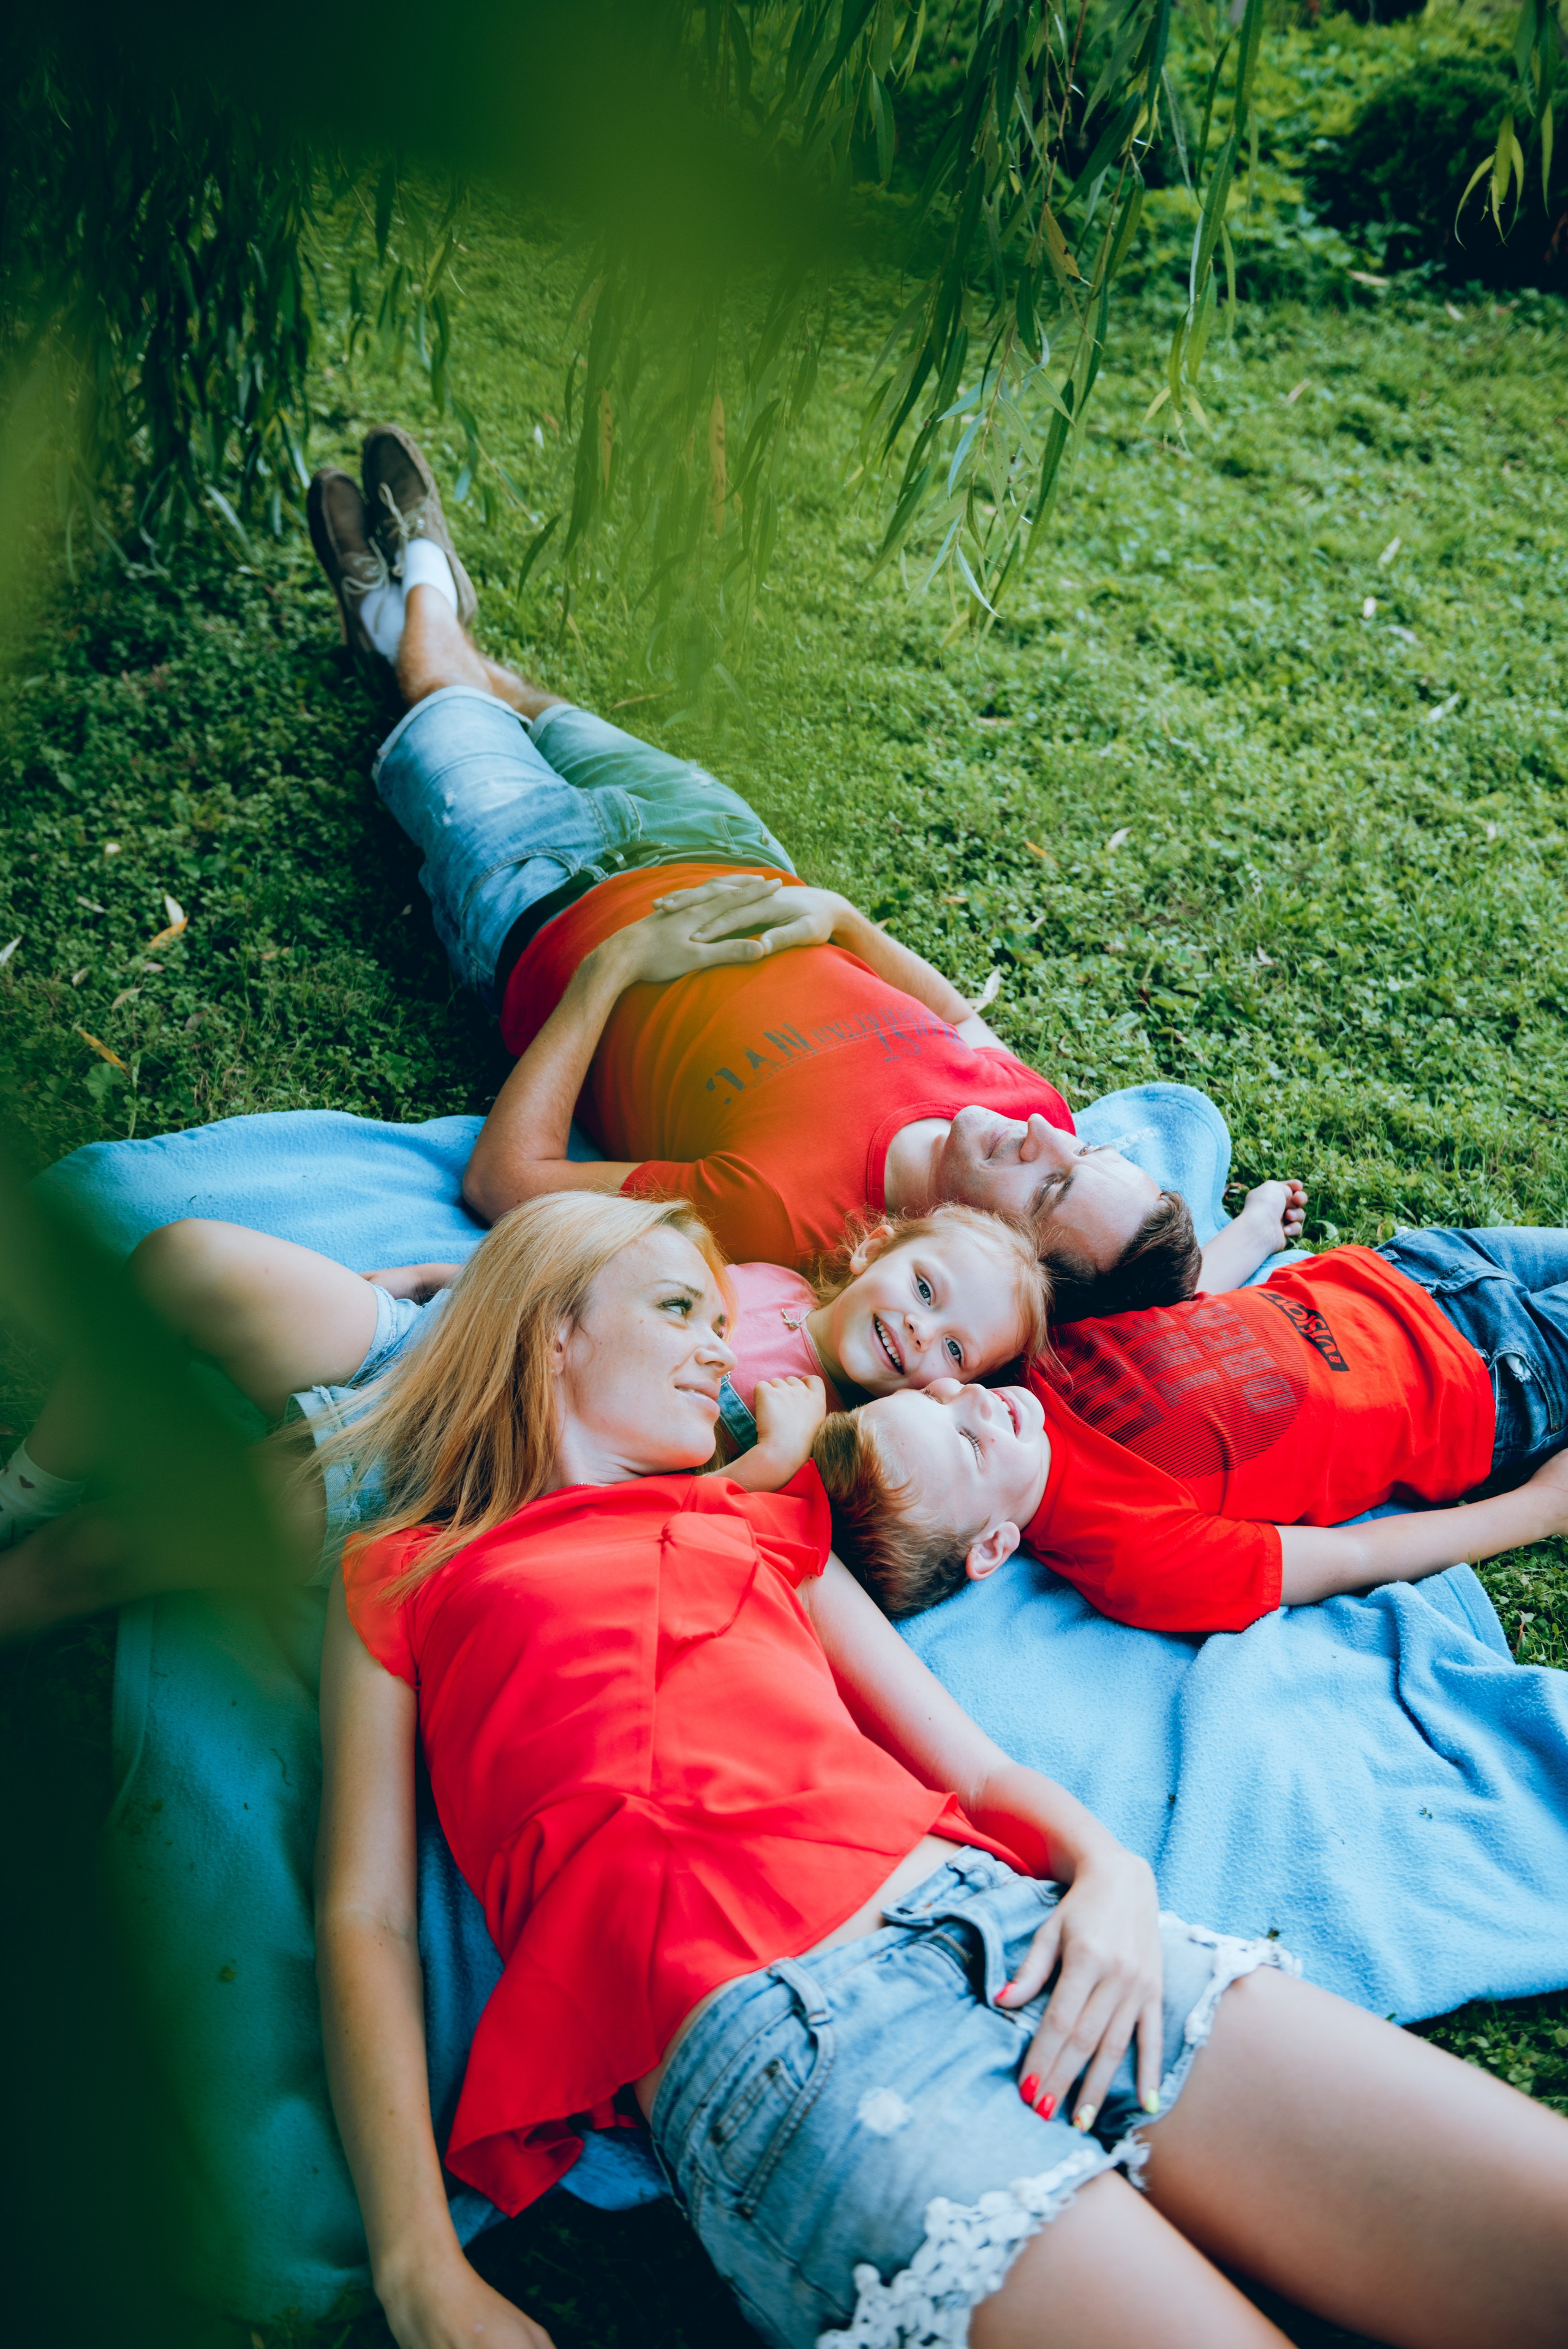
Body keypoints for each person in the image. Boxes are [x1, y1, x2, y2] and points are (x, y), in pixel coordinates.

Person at [315, 1186, 1568, 2349]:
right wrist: (418, 2264)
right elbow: (364, 1916)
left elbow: (968, 1772)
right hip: (782, 2038)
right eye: (678, 1309)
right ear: (550, 1333)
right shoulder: (405, 1572)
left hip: (1016, 1927)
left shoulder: (760, 1523)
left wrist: (1108, 1872)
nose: (721, 1348)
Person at [306, 429, 1306, 1304]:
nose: (1049, 1137)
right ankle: (399, 626)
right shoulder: (1028, 1113)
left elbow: (503, 1182)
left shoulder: (792, 1216)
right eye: (1086, 1150)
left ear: (1003, 1262)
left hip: (540, 902)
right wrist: (836, 918)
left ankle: (421, 578)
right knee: (547, 709)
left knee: (447, 703)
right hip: (724, 846)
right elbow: (958, 1020)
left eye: (1051, 1185)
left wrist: (615, 969)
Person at [0, 1197, 1046, 1633]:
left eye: (958, 1350)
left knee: (111, 1550)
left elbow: (659, 1538)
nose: (924, 1337)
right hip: (443, 1343)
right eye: (924, 1290)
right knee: (186, 1261)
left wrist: (768, 1462)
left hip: (450, 1462)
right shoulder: (757, 1269)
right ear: (875, 1254)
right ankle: (28, 1484)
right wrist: (438, 1271)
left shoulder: (825, 1440)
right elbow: (595, 1268)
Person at [811, 1226, 1568, 1628]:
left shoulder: (1021, 1363)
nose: (974, 1403)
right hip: (1489, 1382)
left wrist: (1250, 1231)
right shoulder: (1131, 1558)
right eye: (970, 1445)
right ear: (993, 1546)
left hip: (1401, 1269)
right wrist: (1534, 1512)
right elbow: (1351, 1553)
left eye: (937, 1398)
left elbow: (1175, 1304)